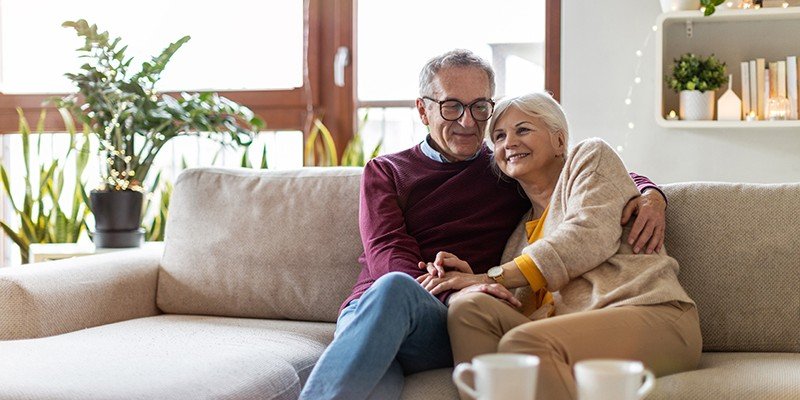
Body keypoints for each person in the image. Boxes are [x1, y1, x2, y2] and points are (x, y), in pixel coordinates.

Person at [299, 50, 668, 400]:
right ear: (423, 110)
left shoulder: (506, 168)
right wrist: (453, 291)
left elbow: (583, 172)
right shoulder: (387, 171)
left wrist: (651, 193)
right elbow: (386, 254)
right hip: (382, 305)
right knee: (388, 319)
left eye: (479, 107)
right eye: (451, 106)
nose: (467, 121)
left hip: (451, 323)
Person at [425, 92, 701, 400]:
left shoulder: (590, 159)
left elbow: (585, 236)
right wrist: (475, 286)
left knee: (526, 345)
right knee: (469, 307)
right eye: (499, 136)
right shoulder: (518, 238)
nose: (509, 142)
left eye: (523, 129)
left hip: (654, 316)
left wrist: (490, 277)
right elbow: (526, 304)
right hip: (572, 332)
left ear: (559, 141)